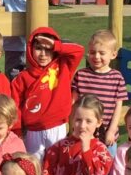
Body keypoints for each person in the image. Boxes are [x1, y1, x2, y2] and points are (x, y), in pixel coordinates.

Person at [71, 29, 129, 175]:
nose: (96, 57)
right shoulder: (81, 75)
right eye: (92, 52)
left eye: (101, 53)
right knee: (82, 169)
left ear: (113, 54)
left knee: (105, 174)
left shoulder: (116, 77)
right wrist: (74, 127)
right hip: (84, 134)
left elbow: (118, 106)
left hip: (106, 137)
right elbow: (73, 103)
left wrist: (112, 130)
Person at [10, 26, 85, 163]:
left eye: (48, 49)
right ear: (30, 49)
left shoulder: (63, 66)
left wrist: (55, 45)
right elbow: (15, 106)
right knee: (33, 166)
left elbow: (79, 50)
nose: (43, 54)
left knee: (58, 165)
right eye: (38, 48)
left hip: (57, 127)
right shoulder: (22, 77)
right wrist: (17, 131)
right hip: (33, 131)